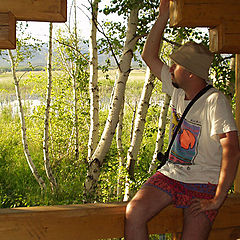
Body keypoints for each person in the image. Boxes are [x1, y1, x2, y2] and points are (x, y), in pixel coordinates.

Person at [124, 0, 240, 239]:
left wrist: (218, 199)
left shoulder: (214, 102)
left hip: (204, 182)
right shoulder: (178, 90)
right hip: (172, 174)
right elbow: (148, 55)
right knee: (134, 212)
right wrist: (163, 15)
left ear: (189, 72)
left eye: (174, 65)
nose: (170, 68)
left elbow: (233, 150)